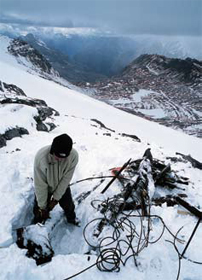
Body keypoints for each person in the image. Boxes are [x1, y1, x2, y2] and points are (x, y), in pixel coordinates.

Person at [33, 133, 79, 225]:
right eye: (57, 156)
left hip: (62, 185)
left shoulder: (73, 156)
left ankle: (71, 219)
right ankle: (37, 224)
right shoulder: (41, 158)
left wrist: (55, 199)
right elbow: (40, 184)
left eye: (64, 157)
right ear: (52, 151)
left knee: (68, 205)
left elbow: (66, 179)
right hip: (45, 186)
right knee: (38, 208)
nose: (60, 159)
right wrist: (43, 207)